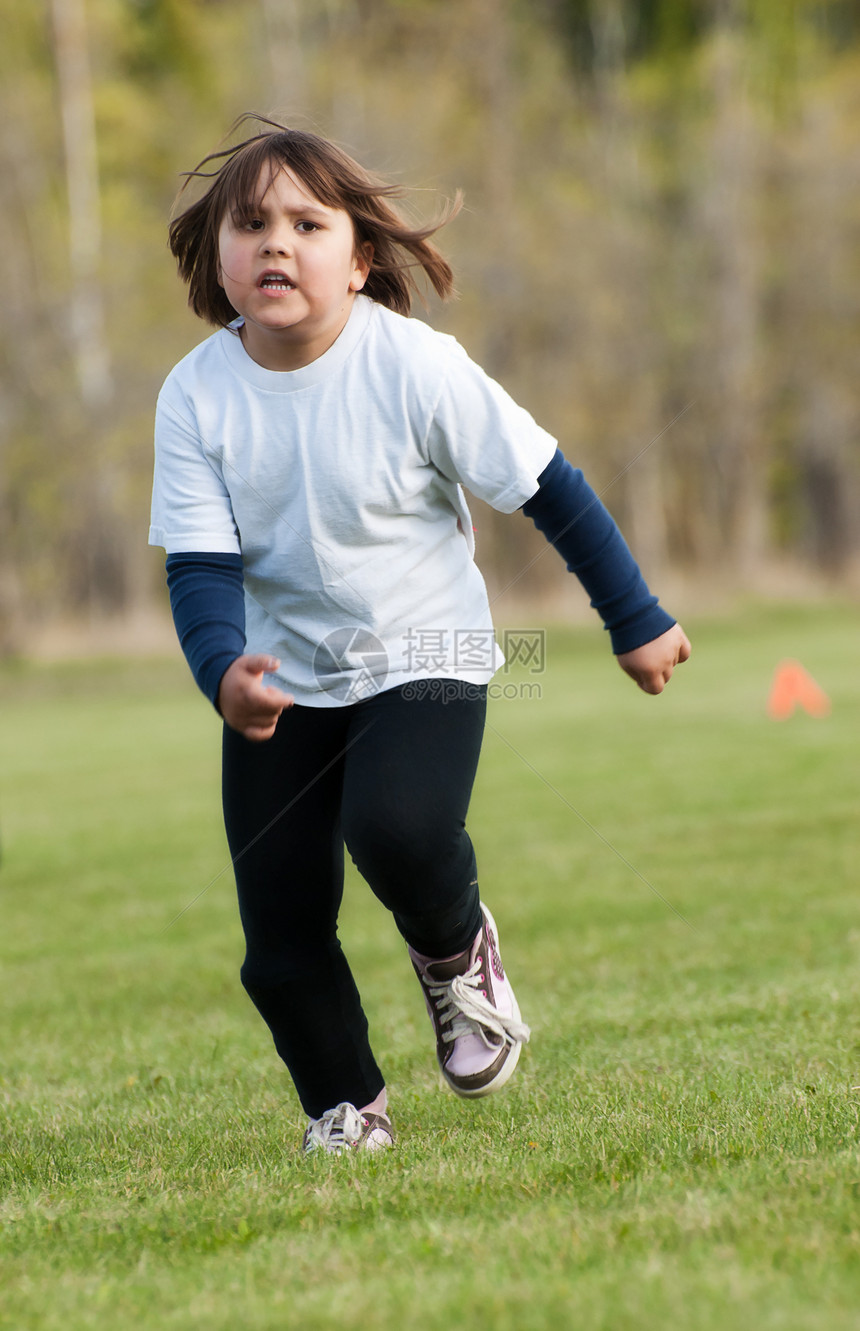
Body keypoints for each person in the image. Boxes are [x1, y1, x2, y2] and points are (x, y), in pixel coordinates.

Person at [150, 115, 690, 1156]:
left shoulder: (413, 367)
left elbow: (549, 487)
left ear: (358, 261)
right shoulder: (195, 396)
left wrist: (634, 618)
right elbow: (200, 566)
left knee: (394, 828)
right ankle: (345, 1107)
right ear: (216, 255)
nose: (274, 242)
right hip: (282, 676)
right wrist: (224, 671)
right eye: (249, 223)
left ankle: (453, 951)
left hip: (423, 653)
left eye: (306, 223)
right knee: (279, 938)